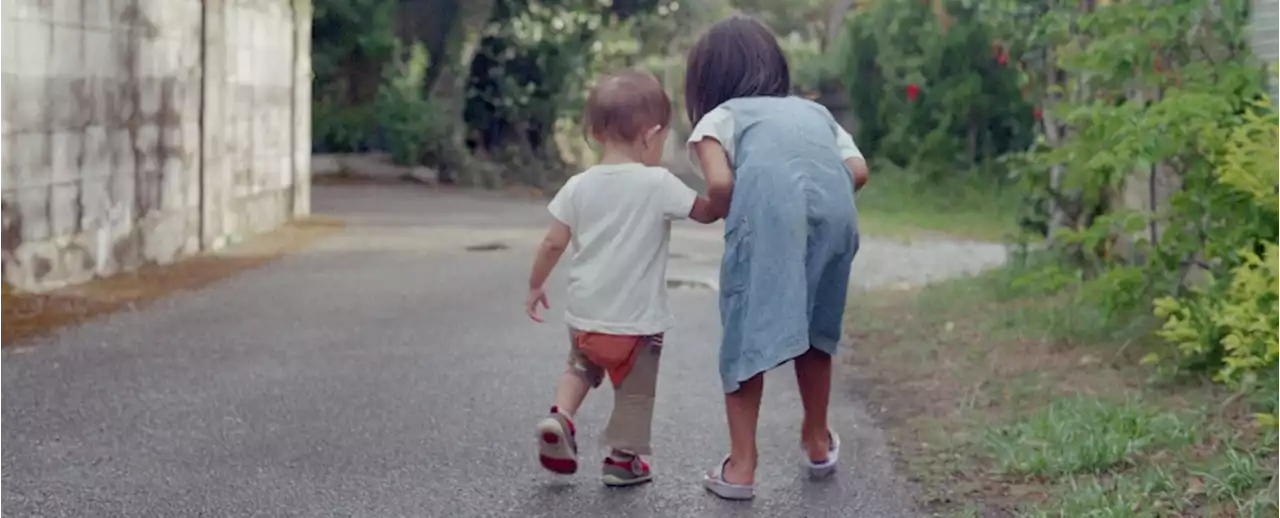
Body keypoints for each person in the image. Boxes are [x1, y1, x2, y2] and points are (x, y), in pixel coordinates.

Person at [683, 15, 870, 500]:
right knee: (816, 329)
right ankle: (816, 441)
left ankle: (741, 468)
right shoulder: (816, 113)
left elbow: (721, 184)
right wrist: (814, 196)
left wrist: (722, 212)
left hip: (767, 215)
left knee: (747, 331)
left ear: (707, 80)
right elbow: (859, 170)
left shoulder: (720, 118)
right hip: (835, 214)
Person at [524, 70, 721, 487]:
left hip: (586, 318)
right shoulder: (658, 183)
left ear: (594, 133)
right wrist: (726, 192)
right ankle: (622, 460)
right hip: (638, 324)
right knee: (635, 393)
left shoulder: (578, 186)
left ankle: (560, 417)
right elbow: (705, 212)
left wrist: (535, 284)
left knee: (579, 368)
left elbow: (551, 243)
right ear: (650, 136)